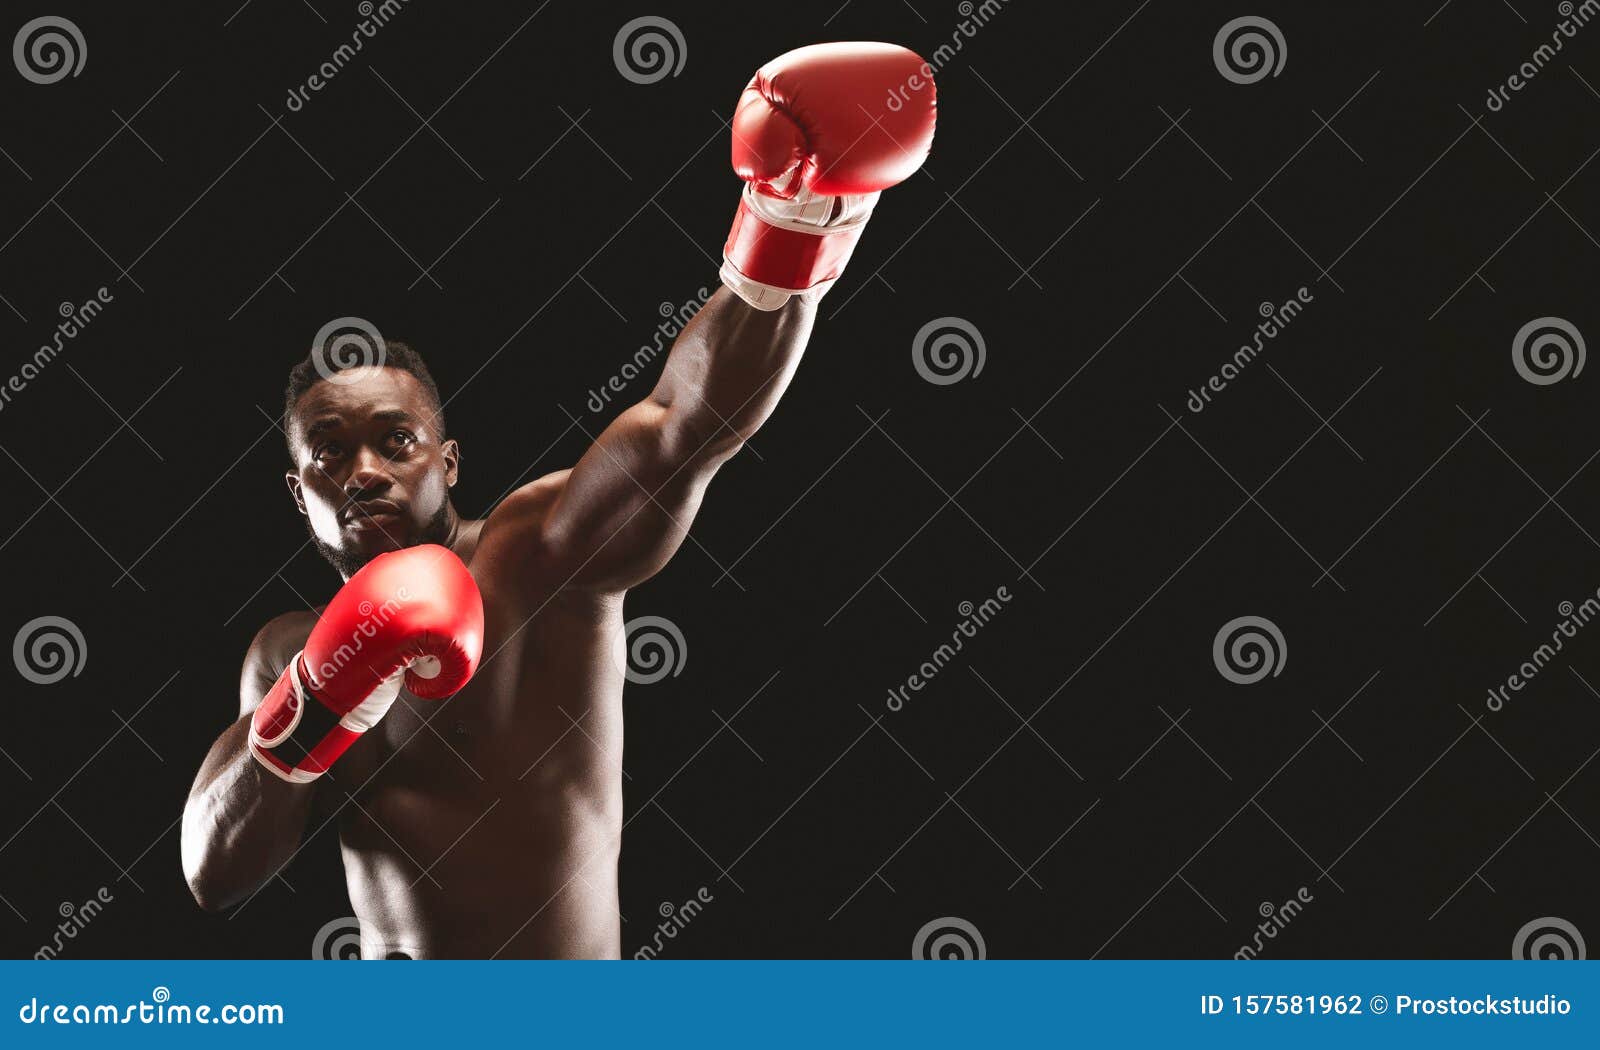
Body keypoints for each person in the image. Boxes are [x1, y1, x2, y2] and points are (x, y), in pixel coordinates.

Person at [179, 42, 937, 958]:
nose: (366, 471)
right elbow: (212, 876)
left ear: (448, 462)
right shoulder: (286, 653)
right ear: (300, 496)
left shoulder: (539, 555)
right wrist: (311, 702)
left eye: (397, 440)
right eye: (331, 454)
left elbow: (681, 428)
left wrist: (793, 222)